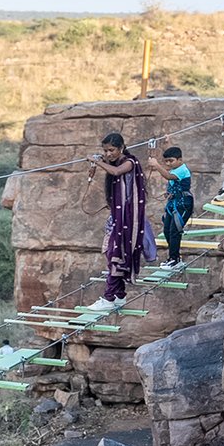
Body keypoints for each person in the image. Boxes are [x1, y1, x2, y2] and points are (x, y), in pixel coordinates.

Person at [84, 132, 152, 313]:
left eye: (111, 150)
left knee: (116, 254)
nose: (108, 154)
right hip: (118, 217)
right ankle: (120, 295)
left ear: (121, 148)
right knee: (113, 254)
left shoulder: (129, 162)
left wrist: (97, 161)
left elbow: (115, 172)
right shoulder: (113, 162)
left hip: (128, 219)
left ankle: (108, 298)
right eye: (105, 151)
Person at [147, 145, 193, 270]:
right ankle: (174, 258)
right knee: (167, 230)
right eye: (166, 161)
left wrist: (157, 165)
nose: (168, 163)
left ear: (180, 160)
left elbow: (168, 176)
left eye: (171, 161)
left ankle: (175, 259)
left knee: (175, 231)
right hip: (173, 204)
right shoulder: (175, 170)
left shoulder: (182, 170)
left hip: (183, 205)